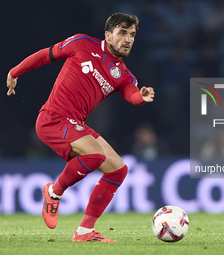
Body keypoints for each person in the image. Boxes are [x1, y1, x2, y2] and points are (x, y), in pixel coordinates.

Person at [6, 13, 155, 242]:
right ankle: (54, 192)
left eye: (132, 35)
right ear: (108, 34)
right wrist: (15, 72)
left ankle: (85, 232)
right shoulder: (82, 43)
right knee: (95, 155)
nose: (128, 39)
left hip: (75, 123)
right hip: (52, 118)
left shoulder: (123, 74)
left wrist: (141, 96)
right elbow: (46, 55)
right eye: (122, 33)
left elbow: (132, 95)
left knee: (118, 169)